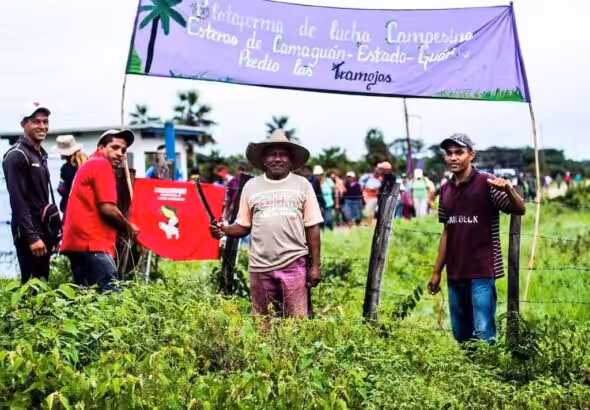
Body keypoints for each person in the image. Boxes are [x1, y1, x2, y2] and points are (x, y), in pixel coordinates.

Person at [209, 130, 323, 320]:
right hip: (260, 267)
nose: (277, 159)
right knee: (263, 322)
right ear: (264, 160)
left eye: (283, 154)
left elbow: (312, 227)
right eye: (272, 154)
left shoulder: (302, 185)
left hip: (294, 263)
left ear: (290, 160)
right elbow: (243, 226)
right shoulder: (251, 186)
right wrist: (224, 229)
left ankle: (291, 352)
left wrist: (315, 267)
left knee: (296, 323)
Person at [427, 133, 526, 345]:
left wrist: (509, 190)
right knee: (461, 333)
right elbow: (447, 232)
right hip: (455, 271)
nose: (453, 158)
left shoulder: (488, 183)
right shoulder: (444, 190)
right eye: (449, 153)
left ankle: (488, 371)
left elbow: (520, 209)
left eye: (459, 153)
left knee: (484, 331)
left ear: (471, 154)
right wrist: (437, 272)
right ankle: (469, 373)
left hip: (482, 269)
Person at [60, 129, 140, 292]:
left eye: (124, 150)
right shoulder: (101, 165)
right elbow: (108, 209)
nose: (120, 154)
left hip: (79, 245)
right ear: (101, 148)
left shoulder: (90, 164)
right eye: (115, 147)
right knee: (112, 300)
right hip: (93, 245)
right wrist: (129, 228)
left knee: (87, 302)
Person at [2, 102, 53, 284]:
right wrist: (32, 237)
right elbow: (18, 200)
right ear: (24, 124)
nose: (42, 126)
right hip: (28, 233)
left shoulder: (40, 154)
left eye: (45, 121)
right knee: (32, 287)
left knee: (42, 284)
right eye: (36, 122)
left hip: (43, 230)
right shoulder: (17, 155)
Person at [53, 135, 87, 219]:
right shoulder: (87, 163)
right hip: (86, 208)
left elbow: (61, 189)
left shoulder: (65, 169)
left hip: (70, 209)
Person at [313, 165, 337, 231]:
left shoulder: (328, 181)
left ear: (322, 174)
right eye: (316, 175)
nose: (317, 176)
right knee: (321, 222)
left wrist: (336, 203)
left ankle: (331, 232)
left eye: (319, 174)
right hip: (319, 205)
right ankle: (323, 234)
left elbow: (335, 191)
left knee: (329, 220)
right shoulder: (314, 183)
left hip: (329, 204)